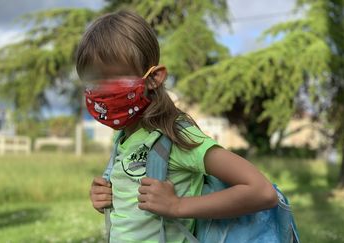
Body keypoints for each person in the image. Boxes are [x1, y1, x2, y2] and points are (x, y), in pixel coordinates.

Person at [76, 10, 278, 242]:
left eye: (114, 80)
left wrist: (178, 206)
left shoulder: (175, 136)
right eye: (93, 82)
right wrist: (107, 196)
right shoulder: (122, 135)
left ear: (153, 78)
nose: (103, 93)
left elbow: (261, 191)